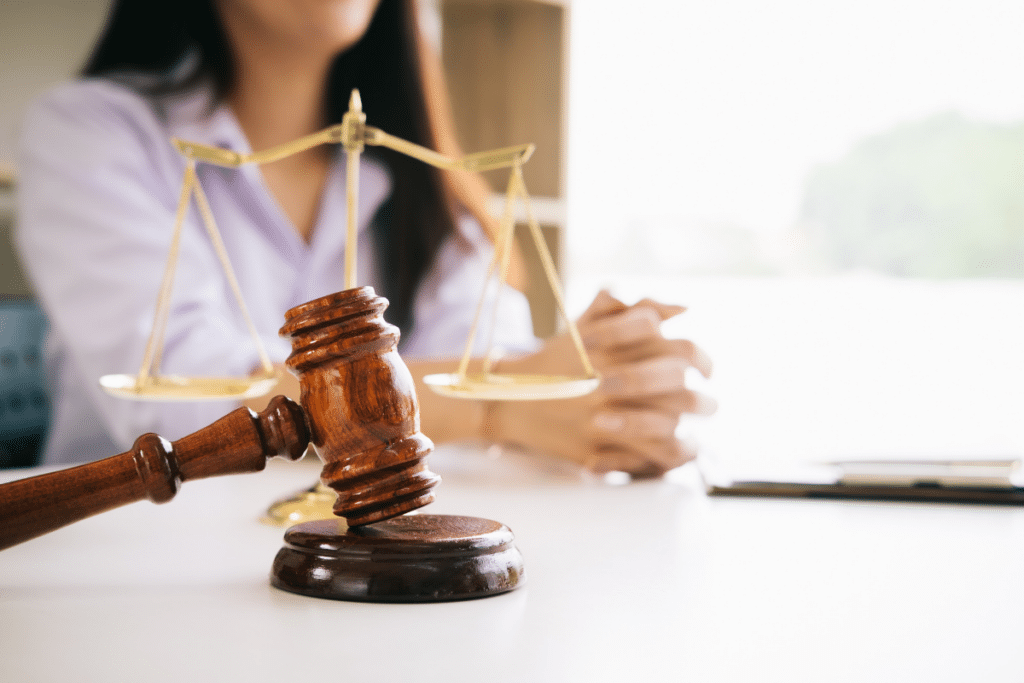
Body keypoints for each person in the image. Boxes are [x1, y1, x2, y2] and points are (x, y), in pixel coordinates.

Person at [16, 0, 715, 476]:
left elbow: (494, 357)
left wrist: (613, 394)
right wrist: (508, 402)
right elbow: (183, 398)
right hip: (132, 562)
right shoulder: (90, 133)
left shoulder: (421, 184)